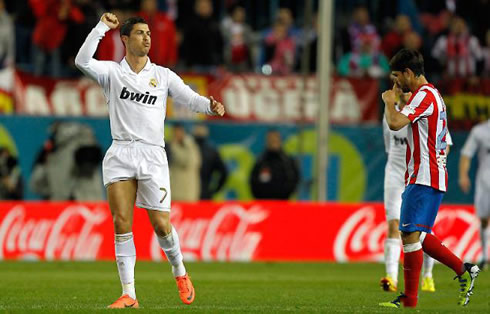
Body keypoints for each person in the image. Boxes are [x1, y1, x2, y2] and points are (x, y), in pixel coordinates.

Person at [75, 13, 225, 308]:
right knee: (121, 222)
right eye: (141, 33)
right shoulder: (112, 73)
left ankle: (179, 271)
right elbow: (82, 61)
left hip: (152, 155)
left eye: (149, 34)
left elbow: (188, 97)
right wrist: (102, 27)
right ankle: (129, 293)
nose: (147, 38)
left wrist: (210, 106)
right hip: (120, 152)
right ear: (125, 39)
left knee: (161, 225)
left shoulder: (163, 75)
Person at [379, 48, 480, 308]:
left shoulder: (425, 96)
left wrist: (389, 101)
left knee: (410, 234)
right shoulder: (430, 95)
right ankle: (461, 271)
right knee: (414, 235)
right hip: (424, 174)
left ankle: (413, 297)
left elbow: (395, 123)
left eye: (397, 76)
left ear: (409, 73)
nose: (396, 83)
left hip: (425, 174)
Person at [459, 119, 490, 270]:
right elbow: (466, 154)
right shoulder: (480, 131)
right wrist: (463, 175)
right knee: (484, 220)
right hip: (485, 183)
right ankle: (485, 256)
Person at [250, 130, 299, 200]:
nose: (273, 142)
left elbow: (294, 179)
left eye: (275, 139)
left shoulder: (287, 162)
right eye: (271, 140)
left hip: (283, 203)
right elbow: (253, 182)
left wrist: (285, 195)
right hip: (264, 203)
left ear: (280, 140)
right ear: (267, 142)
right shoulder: (260, 162)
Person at [193, 124, 228, 200]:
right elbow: (224, 172)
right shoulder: (211, 151)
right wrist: (215, 190)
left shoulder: (187, 150)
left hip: (187, 194)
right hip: (205, 193)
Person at [168, 124, 201, 202]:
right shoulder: (168, 146)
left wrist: (175, 146)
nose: (176, 135)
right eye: (174, 132)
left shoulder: (191, 146)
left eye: (178, 132)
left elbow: (189, 162)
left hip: (188, 193)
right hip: (174, 192)